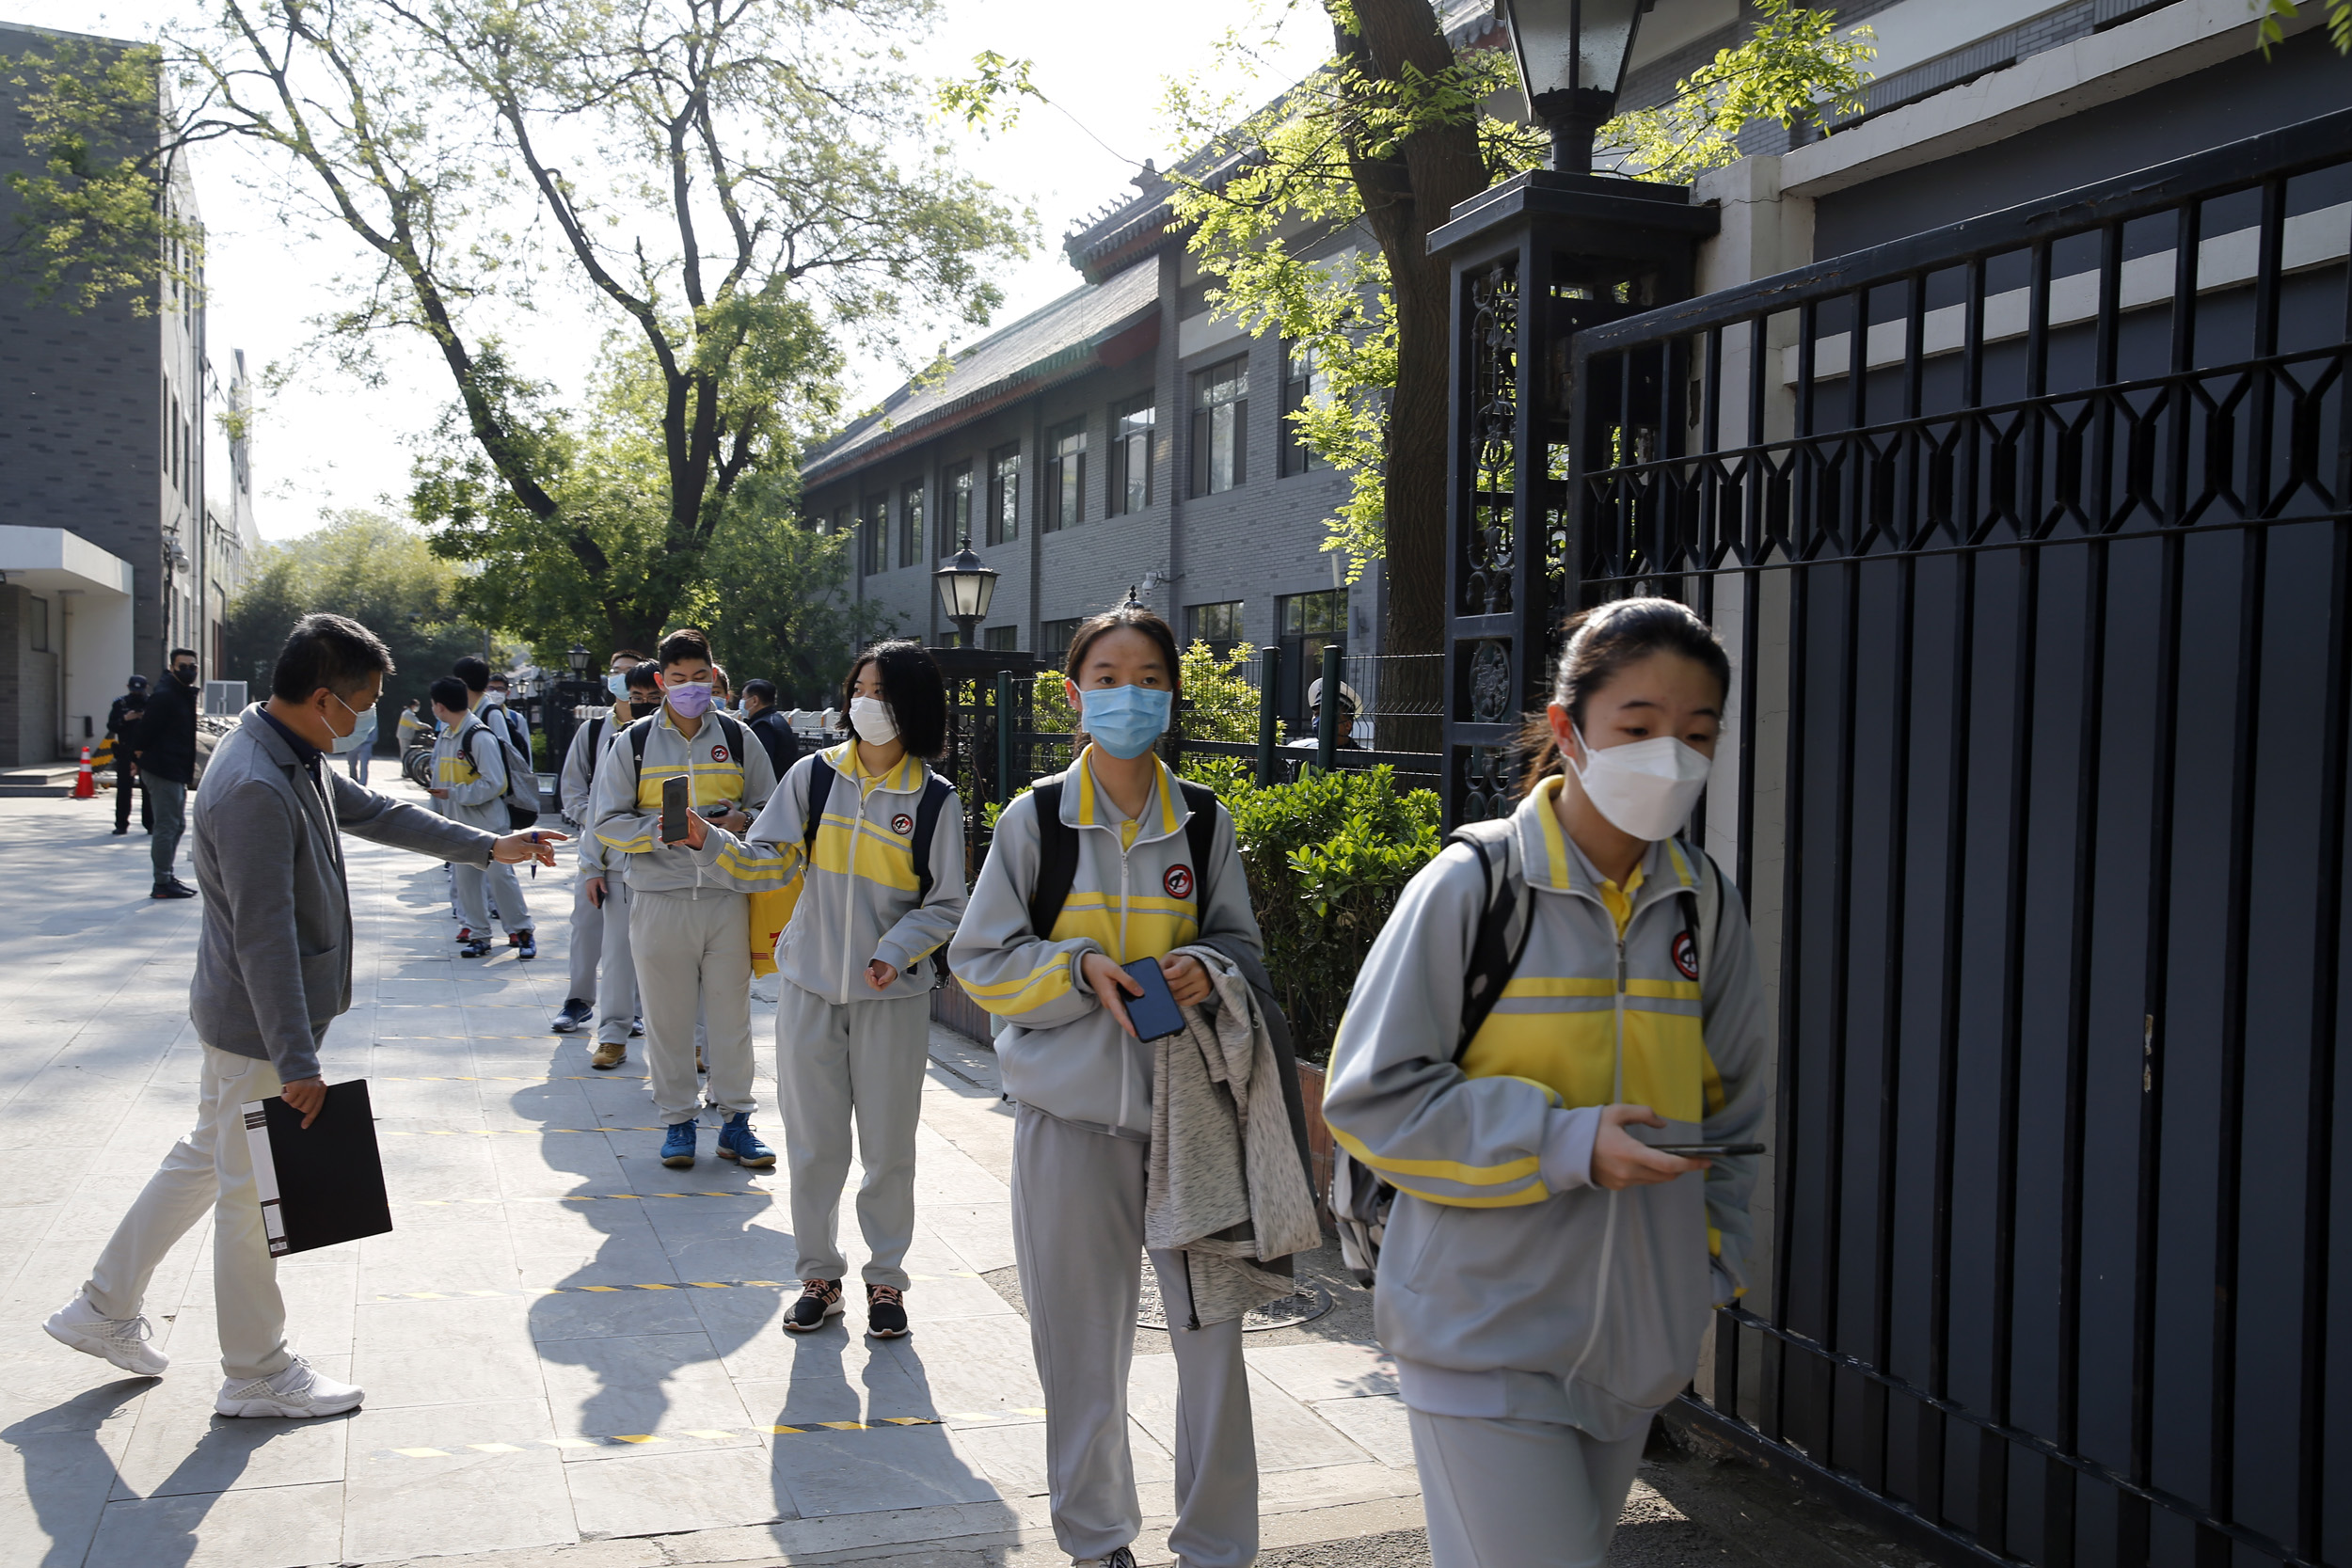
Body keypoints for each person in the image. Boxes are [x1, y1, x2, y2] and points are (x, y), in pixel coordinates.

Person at [1319, 598, 1767, 1568]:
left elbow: (1734, 1106)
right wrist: (1567, 1140)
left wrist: (1704, 1272)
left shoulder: (1705, 901)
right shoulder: (1474, 885)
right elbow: (1369, 1094)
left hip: (1632, 1344)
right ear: (1568, 729)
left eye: (1697, 735)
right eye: (1638, 728)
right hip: (1478, 1332)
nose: (1672, 758)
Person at [42, 613, 561, 1418]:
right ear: (323, 697)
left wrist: (491, 847)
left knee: (203, 1158)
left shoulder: (293, 750)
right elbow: (264, 936)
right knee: (252, 1201)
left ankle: (102, 1307)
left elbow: (379, 814)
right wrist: (298, 1064)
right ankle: (255, 1369)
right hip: (258, 1025)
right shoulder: (254, 783)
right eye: (363, 702)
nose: (369, 717)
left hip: (245, 1021)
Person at [948, 606, 1267, 1568]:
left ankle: (1215, 1544)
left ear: (1171, 693)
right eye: (1108, 673)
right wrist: (1079, 968)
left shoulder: (1203, 818)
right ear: (1073, 690)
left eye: (1148, 676)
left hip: (1193, 1121)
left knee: (1213, 1345)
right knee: (1081, 1349)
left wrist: (1205, 967)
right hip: (1070, 1122)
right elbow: (981, 958)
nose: (1129, 692)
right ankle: (1097, 1542)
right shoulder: (1036, 817)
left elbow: (1243, 945)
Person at [684, 641, 964, 1339]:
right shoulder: (812, 777)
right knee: (814, 1146)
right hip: (809, 987)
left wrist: (893, 953)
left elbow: (948, 903)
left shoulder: (934, 799)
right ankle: (819, 1274)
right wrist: (709, 842)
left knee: (888, 1149)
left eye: (879, 691)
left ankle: (887, 1283)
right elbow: (767, 864)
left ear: (911, 705)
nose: (862, 702)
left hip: (890, 998)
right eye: (858, 688)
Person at [589, 627, 779, 1169]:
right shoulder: (636, 742)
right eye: (678, 679)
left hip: (726, 894)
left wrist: (741, 820)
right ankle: (677, 1124)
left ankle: (737, 1122)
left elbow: (774, 810)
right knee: (669, 1020)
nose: (690, 688)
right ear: (659, 682)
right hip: (657, 896)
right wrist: (664, 830)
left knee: (731, 1018)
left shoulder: (742, 739)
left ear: (715, 678)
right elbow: (605, 822)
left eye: (700, 678)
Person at [549, 649, 647, 1045]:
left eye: (629, 673)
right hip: (598, 849)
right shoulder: (593, 732)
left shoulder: (657, 733)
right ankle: (578, 998)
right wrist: (595, 819)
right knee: (586, 926)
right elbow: (572, 787)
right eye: (616, 673)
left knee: (634, 937)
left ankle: (633, 1010)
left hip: (643, 853)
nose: (622, 680)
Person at [428, 676, 536, 958]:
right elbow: (440, 778)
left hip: (489, 824)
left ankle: (523, 932)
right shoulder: (446, 735)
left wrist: (454, 794)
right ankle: (478, 935)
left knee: (501, 877)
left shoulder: (479, 735)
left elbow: (495, 783)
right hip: (457, 823)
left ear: (439, 707)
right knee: (465, 881)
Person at [133, 647, 202, 899]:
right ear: (172, 668)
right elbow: (145, 731)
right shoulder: (166, 696)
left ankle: (166, 875)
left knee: (177, 825)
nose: (188, 671)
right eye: (182, 666)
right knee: (167, 825)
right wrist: (138, 756)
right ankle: (161, 881)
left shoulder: (181, 694)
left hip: (175, 769)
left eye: (192, 667)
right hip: (163, 769)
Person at [106, 674, 152, 836]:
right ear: (128, 687)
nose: (137, 694)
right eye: (134, 690)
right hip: (126, 750)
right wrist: (125, 718)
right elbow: (112, 725)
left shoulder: (152, 703)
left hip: (146, 751)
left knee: (148, 789)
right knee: (124, 789)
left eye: (140, 690)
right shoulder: (121, 703)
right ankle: (121, 824)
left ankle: (150, 824)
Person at [739, 678, 801, 779]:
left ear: (755, 700)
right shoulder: (776, 720)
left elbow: (760, 767)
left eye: (744, 697)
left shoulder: (763, 726)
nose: (741, 702)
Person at [1284, 675, 1363, 753]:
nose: (1320, 719)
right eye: (1317, 714)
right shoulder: (1301, 752)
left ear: (1347, 725)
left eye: (1329, 714)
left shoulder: (1363, 760)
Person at [343, 696, 379, 784]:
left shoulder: (371, 714)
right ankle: (353, 781)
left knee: (364, 766)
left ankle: (363, 785)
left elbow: (374, 729)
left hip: (365, 744)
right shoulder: (350, 712)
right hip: (352, 743)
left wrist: (371, 741)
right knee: (351, 765)